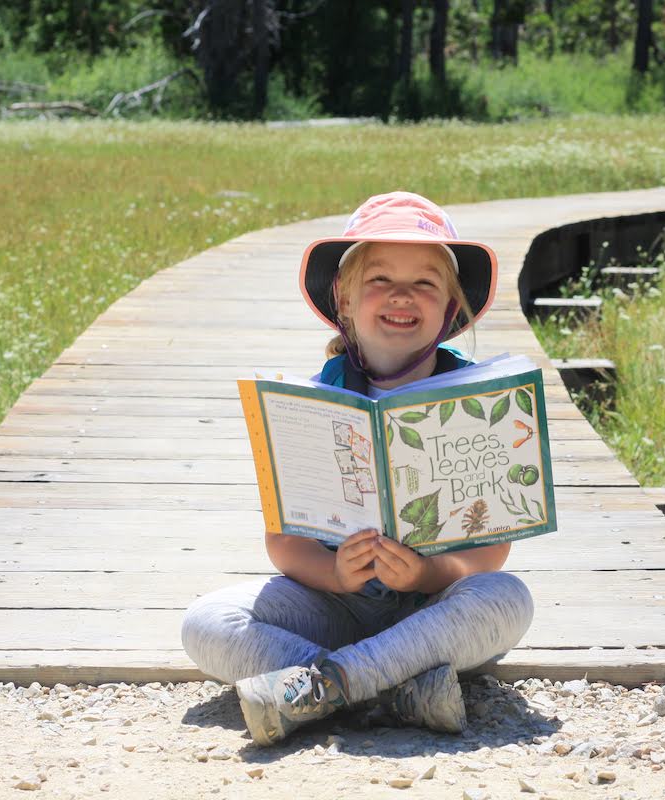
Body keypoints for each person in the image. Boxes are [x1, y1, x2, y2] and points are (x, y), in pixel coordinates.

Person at [180, 191, 535, 747]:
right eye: (380, 280)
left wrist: (425, 575)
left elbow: (489, 551)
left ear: (450, 307)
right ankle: (391, 691)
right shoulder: (312, 403)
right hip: (335, 603)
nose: (402, 295)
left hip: (432, 613)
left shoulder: (481, 402)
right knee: (207, 621)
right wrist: (334, 577)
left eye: (425, 282)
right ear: (343, 299)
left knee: (508, 597)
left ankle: (326, 687)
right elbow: (284, 541)